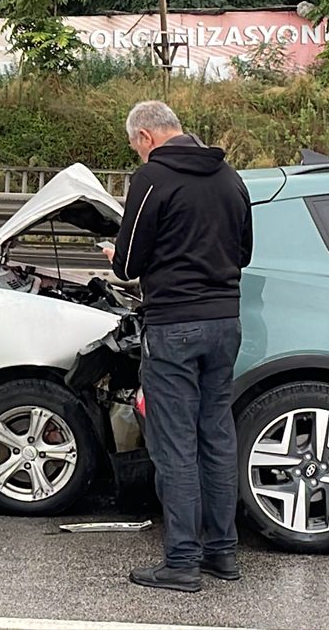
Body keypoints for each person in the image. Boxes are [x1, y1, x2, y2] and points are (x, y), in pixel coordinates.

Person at [106, 100, 253, 592]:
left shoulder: (152, 179)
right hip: (225, 323)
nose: (137, 154)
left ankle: (182, 561)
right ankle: (222, 553)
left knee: (174, 445)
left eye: (135, 146)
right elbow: (244, 253)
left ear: (146, 136)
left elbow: (127, 263)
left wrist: (115, 252)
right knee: (216, 436)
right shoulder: (230, 177)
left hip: (173, 326)